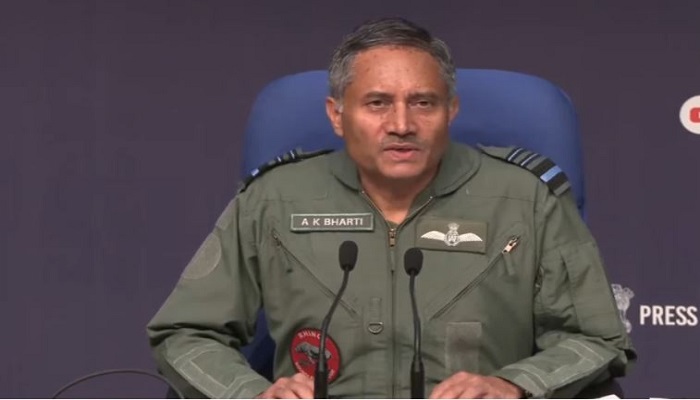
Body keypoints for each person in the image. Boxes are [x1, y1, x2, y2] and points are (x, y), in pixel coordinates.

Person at [147, 17, 636, 399]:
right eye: (377, 103)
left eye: (423, 103)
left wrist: (515, 384)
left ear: (451, 110)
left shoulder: (527, 199)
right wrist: (249, 393)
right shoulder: (272, 200)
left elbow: (596, 338)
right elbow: (185, 332)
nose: (402, 124)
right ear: (337, 115)